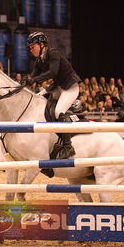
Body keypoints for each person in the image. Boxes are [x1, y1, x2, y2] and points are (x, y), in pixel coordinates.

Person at [23, 31, 82, 165]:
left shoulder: (53, 53)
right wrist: (26, 80)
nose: (31, 50)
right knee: (38, 98)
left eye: (33, 47)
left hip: (70, 87)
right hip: (58, 87)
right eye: (30, 48)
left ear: (41, 44)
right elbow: (33, 75)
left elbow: (52, 72)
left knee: (58, 111)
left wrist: (34, 80)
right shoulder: (40, 59)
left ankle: (68, 146)